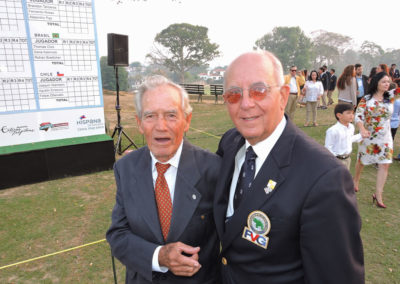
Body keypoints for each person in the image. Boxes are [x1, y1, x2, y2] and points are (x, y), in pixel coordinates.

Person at [214, 51, 364, 283]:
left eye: (259, 90)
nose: (245, 103)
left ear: (284, 96)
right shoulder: (230, 142)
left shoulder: (325, 177)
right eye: (234, 95)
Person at [106, 75, 221, 283]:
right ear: (140, 123)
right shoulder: (125, 169)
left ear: (187, 121)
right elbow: (118, 235)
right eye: (150, 116)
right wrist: (159, 256)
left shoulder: (213, 169)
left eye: (171, 115)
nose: (161, 126)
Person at [353, 72, 395, 208]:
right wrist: (361, 128)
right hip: (369, 137)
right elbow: (358, 115)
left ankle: (378, 194)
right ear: (376, 82)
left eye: (388, 82)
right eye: (383, 81)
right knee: (362, 160)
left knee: (385, 164)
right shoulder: (367, 99)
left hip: (386, 138)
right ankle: (356, 179)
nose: (386, 84)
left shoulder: (391, 97)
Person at [325, 103, 366, 169]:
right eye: (348, 113)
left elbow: (349, 139)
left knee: (344, 177)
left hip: (347, 159)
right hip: (337, 160)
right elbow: (328, 148)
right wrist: (334, 160)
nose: (352, 115)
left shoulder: (351, 127)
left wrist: (361, 135)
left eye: (353, 113)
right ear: (339, 115)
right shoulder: (333, 130)